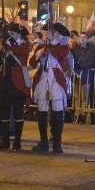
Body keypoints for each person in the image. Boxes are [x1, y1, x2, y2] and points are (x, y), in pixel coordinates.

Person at [31, 22, 72, 153]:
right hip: (43, 79)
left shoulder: (62, 47)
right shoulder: (41, 47)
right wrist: (41, 53)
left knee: (57, 111)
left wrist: (53, 41)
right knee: (42, 111)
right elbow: (32, 62)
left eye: (51, 33)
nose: (46, 35)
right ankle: (43, 141)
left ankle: (56, 142)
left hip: (56, 81)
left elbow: (61, 55)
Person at [0, 22, 31, 151]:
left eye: (13, 34)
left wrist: (10, 42)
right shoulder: (6, 46)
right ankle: (4, 140)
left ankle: (17, 141)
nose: (10, 36)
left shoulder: (24, 45)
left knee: (18, 113)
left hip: (18, 84)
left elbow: (20, 52)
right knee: (4, 112)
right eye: (9, 34)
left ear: (19, 35)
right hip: (5, 82)